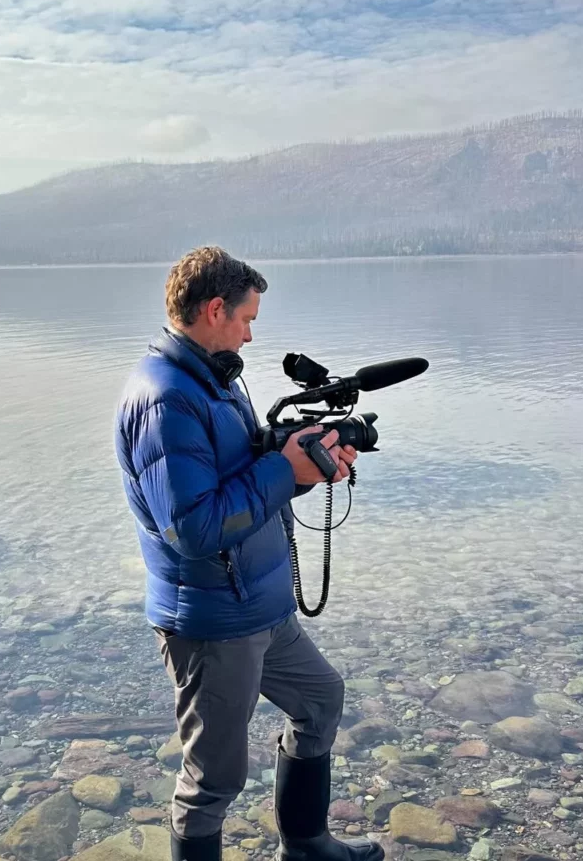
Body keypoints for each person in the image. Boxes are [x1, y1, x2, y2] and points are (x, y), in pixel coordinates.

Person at [114, 246, 384, 861]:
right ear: (214, 310)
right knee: (214, 780)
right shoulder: (165, 399)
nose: (252, 333)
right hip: (213, 621)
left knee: (320, 700)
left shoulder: (215, 378)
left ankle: (307, 843)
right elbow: (194, 528)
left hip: (260, 604)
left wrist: (303, 462)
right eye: (246, 319)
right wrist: (282, 471)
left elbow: (244, 465)